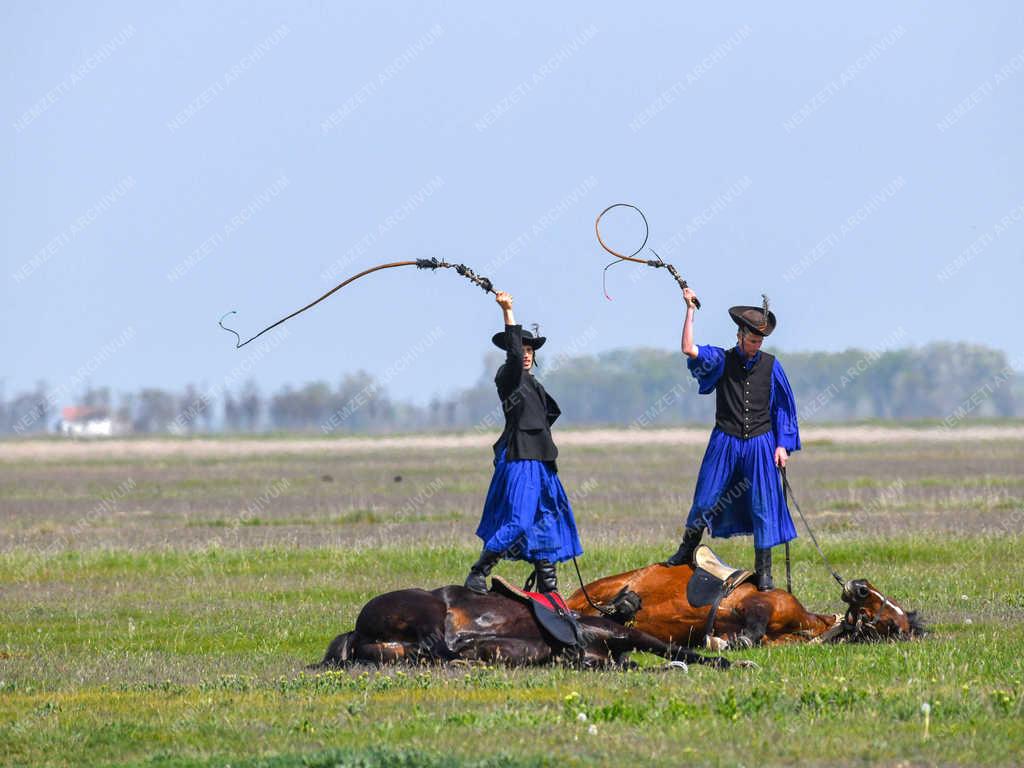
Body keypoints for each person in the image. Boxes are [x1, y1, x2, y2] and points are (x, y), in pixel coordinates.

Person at [664, 288, 801, 590]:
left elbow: (783, 409)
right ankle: (685, 551)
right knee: (705, 499)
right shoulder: (720, 359)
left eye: (760, 341)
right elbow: (688, 348)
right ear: (739, 335)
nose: (756, 346)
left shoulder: (772, 365)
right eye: (752, 340)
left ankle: (764, 572)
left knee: (764, 506)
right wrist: (689, 310)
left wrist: (782, 445)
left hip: (761, 443)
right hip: (724, 442)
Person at [464, 291, 583, 595]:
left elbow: (550, 414)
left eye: (530, 349)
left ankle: (549, 595)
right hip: (520, 459)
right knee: (517, 521)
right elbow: (514, 356)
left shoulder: (536, 385)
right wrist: (508, 310)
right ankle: (478, 573)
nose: (526, 353)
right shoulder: (508, 377)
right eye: (522, 348)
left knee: (548, 526)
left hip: (542, 462)